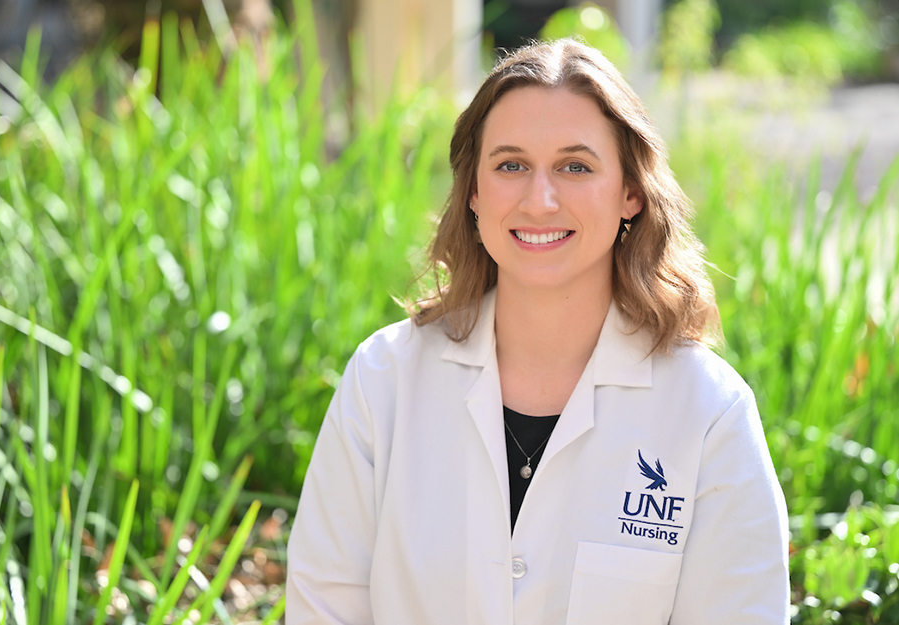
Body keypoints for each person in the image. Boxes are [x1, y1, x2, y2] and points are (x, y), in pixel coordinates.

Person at [286, 38, 789, 624]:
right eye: (511, 165)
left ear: (631, 191)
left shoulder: (708, 412)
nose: (540, 199)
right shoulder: (383, 383)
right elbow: (324, 609)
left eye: (575, 166)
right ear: (474, 190)